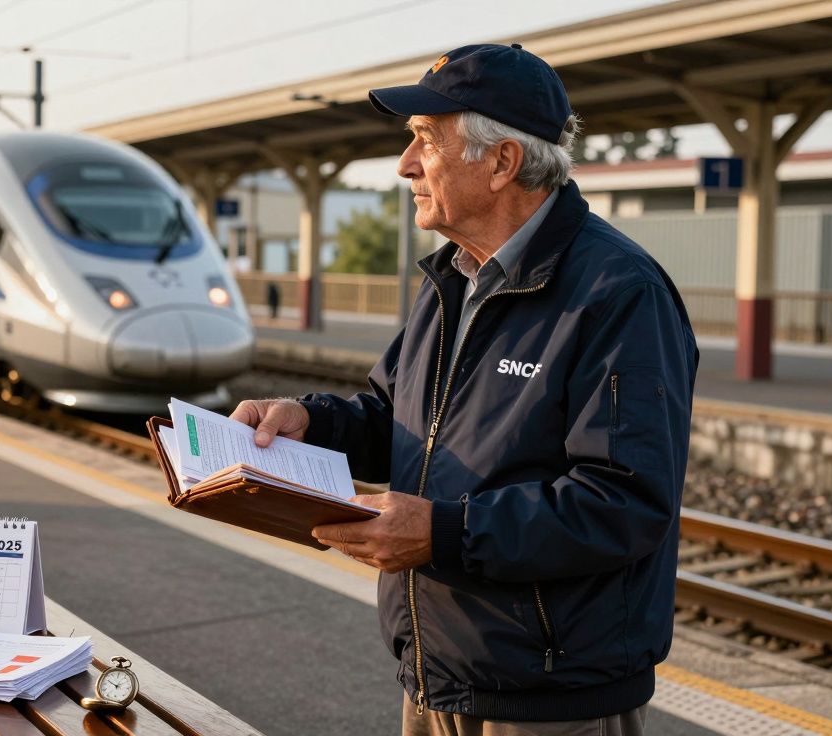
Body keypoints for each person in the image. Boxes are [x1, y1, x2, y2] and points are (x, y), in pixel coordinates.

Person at [230, 43, 698, 736]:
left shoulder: (617, 294)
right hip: (437, 673)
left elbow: (624, 504)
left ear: (502, 162)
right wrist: (311, 420)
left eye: (426, 141)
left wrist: (445, 532)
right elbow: (399, 417)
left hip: (549, 700)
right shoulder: (455, 276)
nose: (404, 165)